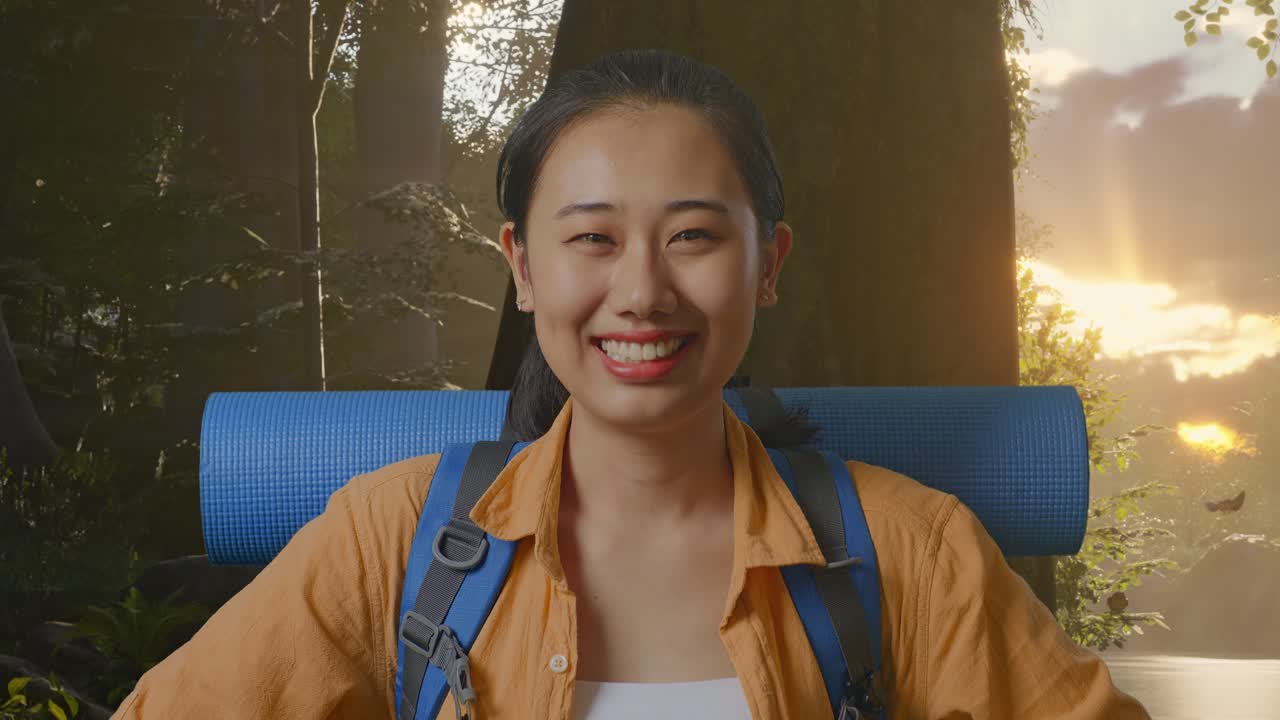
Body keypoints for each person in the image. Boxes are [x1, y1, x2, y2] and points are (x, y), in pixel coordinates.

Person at [113, 49, 1151, 719]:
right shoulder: (394, 543)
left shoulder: (910, 556)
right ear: (522, 269)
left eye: (693, 236)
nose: (642, 292)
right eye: (593, 241)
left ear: (769, 263)